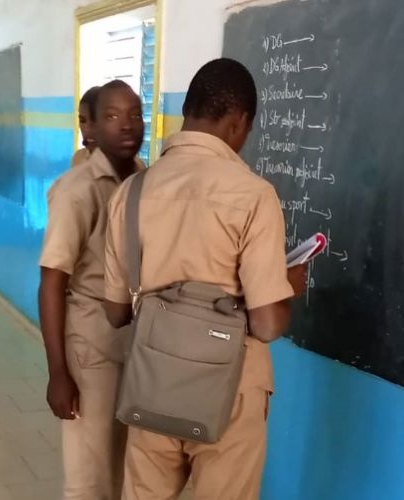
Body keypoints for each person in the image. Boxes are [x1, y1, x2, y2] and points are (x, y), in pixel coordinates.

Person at [104, 58, 307, 500]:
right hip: (230, 390)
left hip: (152, 381)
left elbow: (116, 313)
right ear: (240, 122)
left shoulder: (130, 193)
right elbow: (267, 324)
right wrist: (288, 284)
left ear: (187, 111)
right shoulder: (254, 195)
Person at [38, 79, 144, 500]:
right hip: (92, 351)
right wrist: (58, 373)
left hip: (137, 347)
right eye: (112, 116)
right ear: (93, 128)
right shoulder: (76, 190)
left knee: (123, 470)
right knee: (89, 479)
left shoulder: (146, 181)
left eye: (135, 114)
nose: (126, 125)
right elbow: (51, 283)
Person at [71, 86, 101, 168]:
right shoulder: (78, 158)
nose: (87, 129)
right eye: (82, 121)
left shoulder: (129, 165)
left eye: (95, 120)